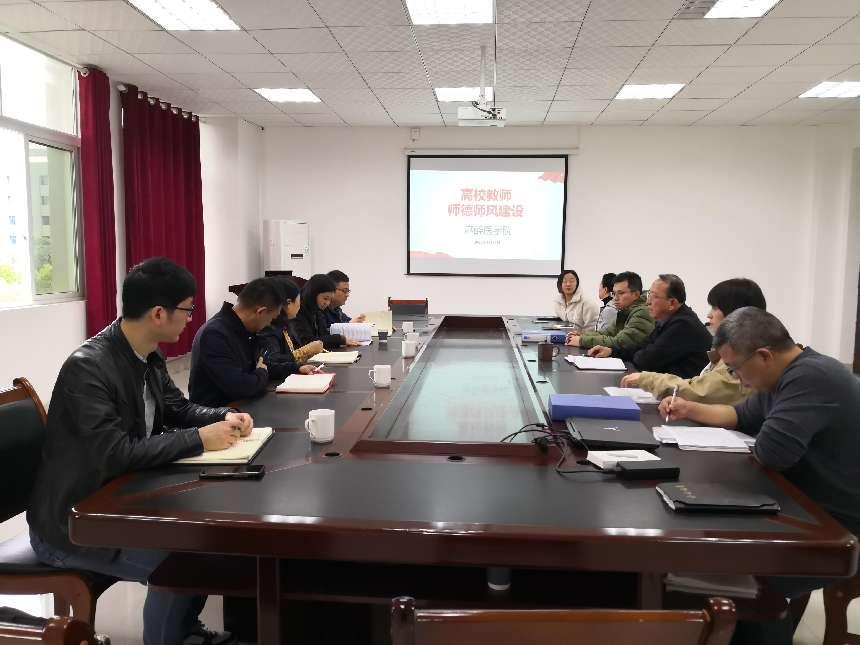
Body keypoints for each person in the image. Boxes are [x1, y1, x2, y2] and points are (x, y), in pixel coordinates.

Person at [27, 257, 251, 645]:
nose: (191, 319)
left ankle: (183, 630)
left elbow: (177, 408)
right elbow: (114, 453)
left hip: (121, 498)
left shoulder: (146, 353)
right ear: (159, 313)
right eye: (187, 310)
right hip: (72, 524)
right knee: (182, 559)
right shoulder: (88, 368)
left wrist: (223, 416)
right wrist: (199, 439)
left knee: (205, 538)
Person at [659, 307, 860, 645]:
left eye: (736, 369)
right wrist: (689, 408)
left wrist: (762, 433)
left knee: (741, 578)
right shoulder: (784, 375)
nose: (737, 380)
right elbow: (738, 415)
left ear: (764, 355)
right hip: (804, 506)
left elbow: (772, 452)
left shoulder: (811, 378)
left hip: (837, 524)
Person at [621, 278, 767, 404]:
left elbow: (700, 391)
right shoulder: (731, 349)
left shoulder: (742, 356)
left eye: (715, 308)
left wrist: (647, 379)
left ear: (737, 314)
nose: (709, 315)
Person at [587, 274, 711, 378]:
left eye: (654, 296)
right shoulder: (666, 320)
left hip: (682, 394)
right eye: (649, 295)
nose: (648, 302)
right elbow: (642, 346)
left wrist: (637, 353)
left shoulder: (683, 325)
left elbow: (645, 361)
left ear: (672, 303)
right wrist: (612, 351)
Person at [189, 277, 283, 406]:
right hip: (219, 413)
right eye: (271, 319)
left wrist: (296, 368)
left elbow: (263, 365)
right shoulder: (214, 334)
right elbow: (241, 386)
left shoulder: (245, 330)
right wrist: (262, 373)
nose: (269, 324)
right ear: (260, 312)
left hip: (242, 407)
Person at [565, 271, 654, 354]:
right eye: (614, 293)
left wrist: (581, 340)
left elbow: (620, 342)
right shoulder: (625, 311)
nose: (615, 298)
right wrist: (582, 335)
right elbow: (605, 332)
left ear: (636, 295)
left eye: (621, 293)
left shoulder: (642, 312)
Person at [256, 277, 323, 381]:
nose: (299, 306)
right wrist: (304, 352)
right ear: (288, 303)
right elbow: (271, 361)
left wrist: (298, 367)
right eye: (298, 301)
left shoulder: (285, 324)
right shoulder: (268, 328)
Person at [292, 274, 360, 349]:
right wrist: (339, 339)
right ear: (314, 294)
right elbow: (307, 341)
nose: (327, 303)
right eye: (325, 298)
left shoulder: (317, 309)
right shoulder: (297, 310)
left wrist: (340, 339)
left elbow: (323, 335)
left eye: (330, 299)